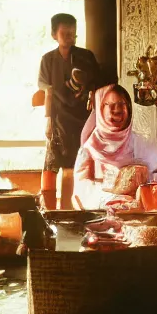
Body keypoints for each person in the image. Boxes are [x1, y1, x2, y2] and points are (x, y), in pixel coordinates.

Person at [38, 13, 100, 210]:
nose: (69, 37)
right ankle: (49, 212)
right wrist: (48, 121)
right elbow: (47, 91)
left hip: (82, 119)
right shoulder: (47, 60)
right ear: (54, 34)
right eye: (64, 33)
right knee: (52, 166)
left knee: (76, 168)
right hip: (58, 119)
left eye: (72, 33)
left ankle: (70, 211)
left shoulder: (86, 56)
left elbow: (97, 85)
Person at [73, 84, 157, 210]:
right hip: (102, 219)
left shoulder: (143, 143)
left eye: (122, 103)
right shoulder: (88, 150)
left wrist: (152, 191)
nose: (116, 110)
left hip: (141, 216)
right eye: (108, 104)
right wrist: (113, 200)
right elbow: (82, 191)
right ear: (99, 109)